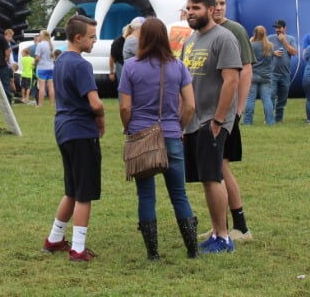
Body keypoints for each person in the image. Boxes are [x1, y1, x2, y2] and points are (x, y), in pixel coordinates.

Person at [118, 17, 198, 260]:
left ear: (143, 38)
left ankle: (153, 252)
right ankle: (192, 249)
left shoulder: (131, 66)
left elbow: (124, 108)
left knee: (146, 195)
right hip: (171, 134)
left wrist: (127, 128)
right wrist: (179, 127)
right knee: (179, 194)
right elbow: (191, 105)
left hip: (142, 135)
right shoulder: (178, 66)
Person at [179, 0, 241, 253]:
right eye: (189, 8)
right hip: (193, 120)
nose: (191, 13)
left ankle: (224, 237)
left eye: (196, 8)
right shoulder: (190, 40)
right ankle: (216, 231)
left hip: (211, 122)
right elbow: (184, 84)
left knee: (213, 177)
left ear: (210, 9)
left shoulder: (224, 38)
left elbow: (231, 81)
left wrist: (218, 120)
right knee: (205, 178)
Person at [41, 14, 104, 262]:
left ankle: (54, 239)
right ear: (78, 38)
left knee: (72, 189)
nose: (94, 41)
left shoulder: (61, 61)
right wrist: (101, 119)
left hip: (63, 128)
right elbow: (95, 103)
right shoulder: (81, 64)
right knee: (84, 193)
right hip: (81, 131)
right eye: (91, 37)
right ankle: (78, 248)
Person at [203, 0, 254, 243]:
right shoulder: (205, 32)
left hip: (226, 114)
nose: (221, 7)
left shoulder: (235, 31)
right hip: (207, 113)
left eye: (223, 3)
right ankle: (218, 226)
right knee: (213, 170)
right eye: (216, 3)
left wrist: (240, 108)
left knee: (221, 168)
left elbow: (245, 71)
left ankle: (241, 227)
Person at [243, 26, 275, 126]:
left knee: (250, 99)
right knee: (267, 99)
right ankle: (270, 121)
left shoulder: (251, 45)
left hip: (253, 75)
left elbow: (247, 59)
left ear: (254, 33)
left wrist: (250, 41)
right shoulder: (270, 46)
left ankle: (248, 122)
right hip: (266, 76)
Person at [267, 20, 296, 123]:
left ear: (285, 28)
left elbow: (293, 52)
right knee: (271, 95)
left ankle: (279, 119)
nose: (277, 30)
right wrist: (273, 52)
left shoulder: (291, 39)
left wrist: (284, 41)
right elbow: (263, 51)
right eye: (276, 28)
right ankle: (269, 118)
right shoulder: (270, 38)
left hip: (285, 74)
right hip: (273, 73)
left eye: (279, 27)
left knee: (282, 98)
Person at [34, 29, 55, 106]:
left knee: (42, 87)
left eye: (40, 35)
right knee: (51, 87)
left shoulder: (40, 45)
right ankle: (52, 103)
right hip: (51, 67)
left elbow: (37, 58)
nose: (39, 36)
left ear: (42, 36)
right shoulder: (51, 45)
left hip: (42, 67)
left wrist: (34, 63)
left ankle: (40, 104)